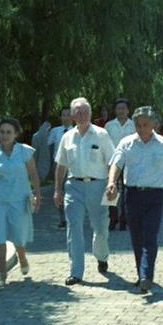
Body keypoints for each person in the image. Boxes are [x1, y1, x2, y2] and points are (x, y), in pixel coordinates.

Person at [107, 106, 163, 293]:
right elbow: (116, 164)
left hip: (154, 196)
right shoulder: (126, 143)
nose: (141, 129)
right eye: (138, 125)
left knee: (150, 236)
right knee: (137, 238)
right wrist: (111, 182)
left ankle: (146, 276)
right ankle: (142, 273)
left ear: (154, 124)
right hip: (132, 195)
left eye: (145, 125)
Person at [53, 97, 115, 286]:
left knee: (100, 227)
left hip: (98, 185)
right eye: (77, 111)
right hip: (74, 186)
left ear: (90, 113)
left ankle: (101, 256)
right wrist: (57, 189)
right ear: (72, 115)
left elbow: (112, 162)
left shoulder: (101, 134)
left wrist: (112, 183)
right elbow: (61, 165)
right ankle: (76, 272)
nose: (81, 115)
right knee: (74, 228)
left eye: (85, 111)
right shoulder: (67, 137)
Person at [0, 118, 41, 289]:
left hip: (19, 200)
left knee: (19, 236)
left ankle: (22, 256)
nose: (5, 135)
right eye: (2, 132)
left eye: (8, 132)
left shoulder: (25, 151)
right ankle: (2, 274)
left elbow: (33, 174)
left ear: (16, 134)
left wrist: (37, 195)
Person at [104, 98, 135, 231]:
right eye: (118, 108)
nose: (121, 111)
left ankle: (124, 219)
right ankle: (113, 218)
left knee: (127, 192)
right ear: (115, 110)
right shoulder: (109, 126)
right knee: (111, 191)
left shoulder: (134, 125)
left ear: (128, 110)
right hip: (113, 163)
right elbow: (104, 146)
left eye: (123, 108)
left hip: (130, 163)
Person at [48, 106, 73, 229]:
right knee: (59, 191)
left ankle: (71, 217)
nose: (66, 117)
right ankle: (62, 218)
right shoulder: (55, 131)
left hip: (72, 165)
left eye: (68, 115)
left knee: (71, 191)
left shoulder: (76, 131)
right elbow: (49, 147)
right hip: (58, 164)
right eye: (64, 115)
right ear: (60, 117)